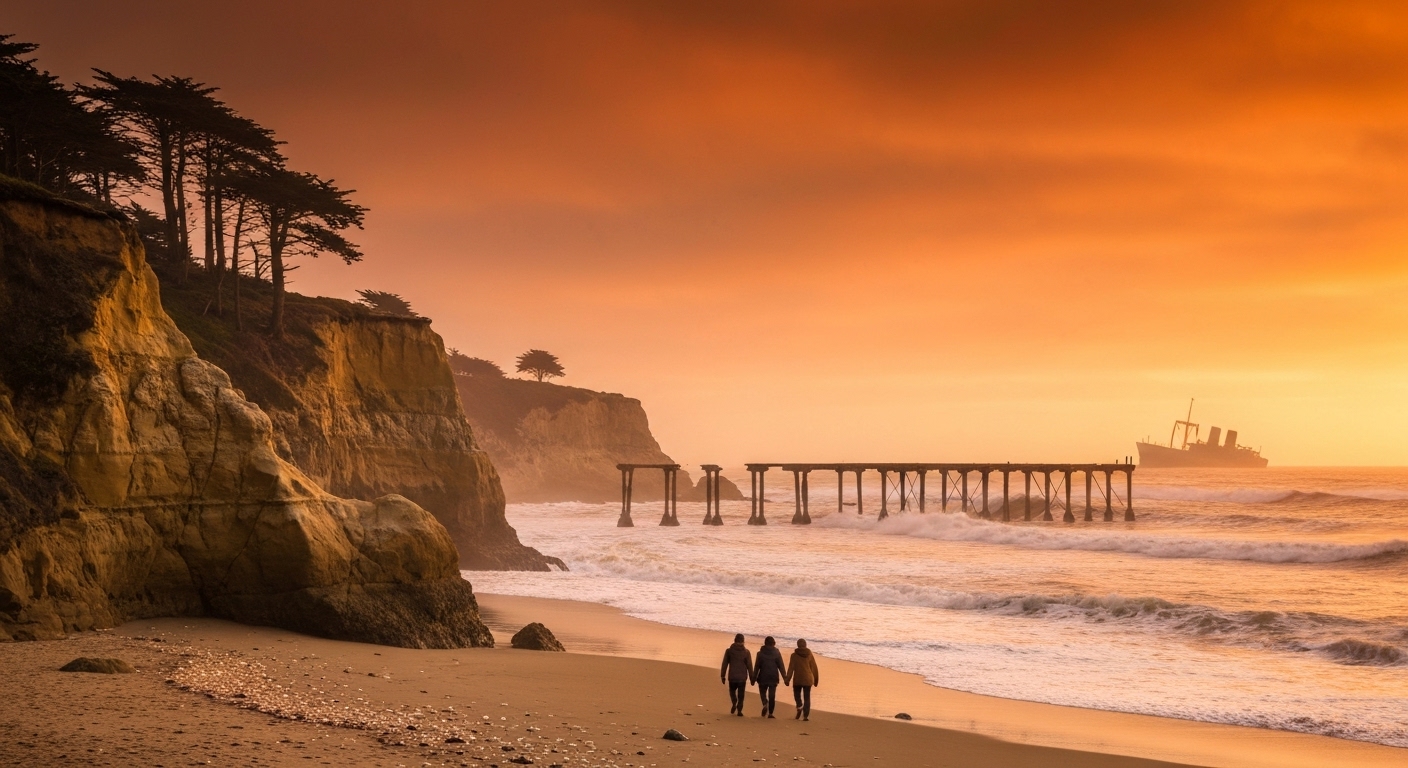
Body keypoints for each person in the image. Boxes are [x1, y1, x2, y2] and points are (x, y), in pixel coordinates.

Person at [784, 638, 820, 721]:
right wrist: (816, 679)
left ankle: (799, 705)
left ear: (797, 645)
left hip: (798, 679)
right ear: (805, 645)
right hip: (808, 679)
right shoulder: (809, 654)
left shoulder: (794, 655)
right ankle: (806, 716)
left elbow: (791, 668)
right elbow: (814, 667)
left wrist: (787, 679)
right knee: (807, 697)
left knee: (797, 694)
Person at [720, 633, 754, 716]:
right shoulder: (746, 652)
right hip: (742, 677)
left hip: (732, 676)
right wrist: (752, 678)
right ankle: (739, 710)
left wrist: (722, 675)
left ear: (734, 640)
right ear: (743, 641)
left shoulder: (729, 651)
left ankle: (734, 702)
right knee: (741, 695)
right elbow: (749, 666)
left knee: (732, 691)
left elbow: (724, 664)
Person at [753, 636, 786, 718]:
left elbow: (757, 667)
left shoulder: (760, 654)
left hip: (763, 676)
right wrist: (785, 678)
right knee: (772, 695)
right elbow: (781, 666)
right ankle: (770, 713)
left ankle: (765, 703)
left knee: (762, 692)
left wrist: (753, 678)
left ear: (765, 643)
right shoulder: (777, 653)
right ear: (773, 643)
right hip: (773, 677)